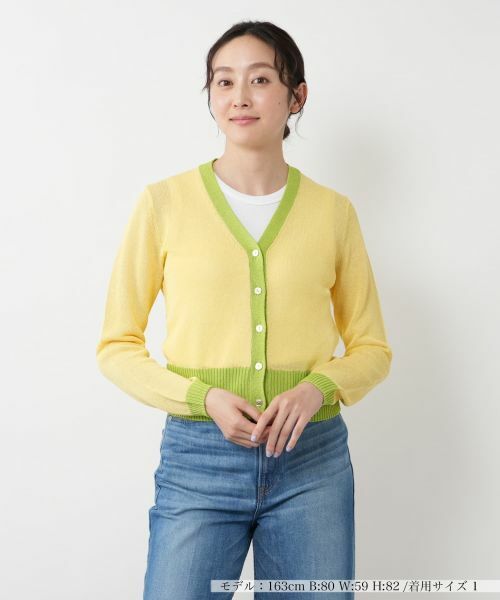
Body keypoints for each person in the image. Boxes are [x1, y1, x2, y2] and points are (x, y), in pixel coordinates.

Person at [96, 20, 392, 600]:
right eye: (223, 81)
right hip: (197, 460)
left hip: (312, 464)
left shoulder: (333, 213)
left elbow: (372, 349)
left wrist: (317, 389)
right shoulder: (163, 204)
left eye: (259, 80)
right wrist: (199, 397)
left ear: (296, 96)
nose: (239, 97)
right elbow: (116, 346)